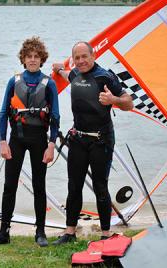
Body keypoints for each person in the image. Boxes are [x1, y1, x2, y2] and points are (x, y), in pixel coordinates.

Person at [52, 41, 133, 245]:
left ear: (93, 55)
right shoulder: (74, 74)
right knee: (74, 185)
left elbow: (129, 102)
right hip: (78, 139)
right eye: (77, 58)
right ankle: (70, 232)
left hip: (101, 140)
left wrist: (113, 99)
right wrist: (58, 68)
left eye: (84, 56)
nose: (81, 61)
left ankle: (105, 234)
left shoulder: (104, 76)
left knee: (100, 186)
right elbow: (66, 74)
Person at [0, 36, 60, 247]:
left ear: (42, 59)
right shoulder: (14, 81)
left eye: (37, 56)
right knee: (9, 186)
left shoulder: (49, 83)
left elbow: (55, 116)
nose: (33, 60)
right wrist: (3, 141)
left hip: (39, 141)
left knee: (39, 186)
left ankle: (41, 233)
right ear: (23, 59)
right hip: (16, 139)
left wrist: (52, 145)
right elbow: (3, 113)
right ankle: (3, 233)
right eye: (29, 56)